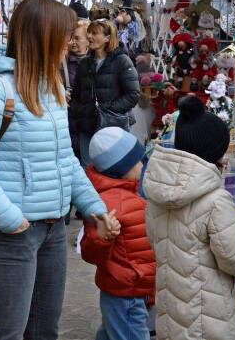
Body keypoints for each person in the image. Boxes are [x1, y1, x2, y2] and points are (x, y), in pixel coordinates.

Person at [0, 0, 116, 340]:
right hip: (13, 235)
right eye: (65, 35)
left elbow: (65, 159)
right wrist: (10, 219)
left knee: (45, 331)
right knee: (8, 333)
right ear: (44, 38)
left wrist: (94, 209)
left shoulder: (52, 86)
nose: (71, 43)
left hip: (53, 229)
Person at [145, 95, 235, 340]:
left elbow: (155, 241)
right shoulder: (216, 200)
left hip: (172, 312)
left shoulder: (158, 193)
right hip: (211, 318)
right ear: (214, 152)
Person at [81, 127, 155, 340]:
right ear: (122, 167)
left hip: (133, 288)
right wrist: (102, 237)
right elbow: (90, 253)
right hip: (126, 292)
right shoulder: (109, 204)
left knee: (113, 332)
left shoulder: (130, 195)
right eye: (138, 161)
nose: (142, 165)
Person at [70, 19, 140, 166]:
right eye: (89, 32)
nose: (90, 36)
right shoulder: (84, 64)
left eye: (95, 33)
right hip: (87, 126)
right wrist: (80, 112)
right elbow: (76, 95)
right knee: (88, 169)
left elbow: (133, 95)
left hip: (113, 127)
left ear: (107, 38)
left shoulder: (122, 61)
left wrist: (107, 109)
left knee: (114, 168)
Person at [66, 19, 90, 159]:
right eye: (71, 38)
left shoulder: (95, 62)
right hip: (69, 119)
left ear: (88, 40)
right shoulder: (62, 62)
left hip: (88, 120)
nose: (73, 42)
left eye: (77, 38)